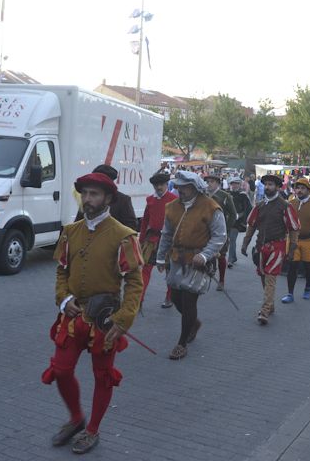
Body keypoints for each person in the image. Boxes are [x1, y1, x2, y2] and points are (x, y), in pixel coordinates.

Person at [43, 172, 143, 454]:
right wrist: (63, 299)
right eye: (85, 193)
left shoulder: (124, 236)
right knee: (61, 370)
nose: (88, 199)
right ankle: (76, 418)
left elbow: (135, 281)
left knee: (103, 376)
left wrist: (124, 319)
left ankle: (92, 430)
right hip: (72, 317)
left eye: (94, 194)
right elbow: (62, 272)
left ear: (108, 199)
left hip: (105, 319)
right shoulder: (70, 232)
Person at [155, 171, 226, 360]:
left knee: (188, 300)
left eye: (184, 186)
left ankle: (181, 343)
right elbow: (167, 234)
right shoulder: (172, 207)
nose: (180, 190)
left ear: (195, 187)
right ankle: (193, 323)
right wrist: (160, 257)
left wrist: (205, 255)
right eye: (178, 186)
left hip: (198, 261)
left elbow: (220, 236)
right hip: (176, 258)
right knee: (176, 297)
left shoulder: (211, 207)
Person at [241, 175, 299, 324]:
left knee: (270, 277)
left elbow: (293, 229)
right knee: (263, 276)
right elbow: (252, 225)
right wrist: (245, 243)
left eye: (271, 184)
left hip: (278, 246)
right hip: (261, 245)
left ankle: (265, 310)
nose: (267, 187)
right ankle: (271, 304)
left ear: (278, 187)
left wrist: (292, 249)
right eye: (266, 184)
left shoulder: (285, 206)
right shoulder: (259, 205)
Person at [139, 172, 178, 309]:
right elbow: (145, 221)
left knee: (169, 270)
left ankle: (169, 297)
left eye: (161, 184)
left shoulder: (174, 199)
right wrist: (141, 239)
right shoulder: (150, 200)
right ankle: (140, 299)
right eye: (156, 185)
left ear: (167, 184)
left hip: (168, 240)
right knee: (145, 269)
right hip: (152, 240)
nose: (158, 187)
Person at [282, 178, 310, 302]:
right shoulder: (290, 203)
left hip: (309, 241)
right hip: (293, 241)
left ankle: (307, 288)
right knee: (292, 267)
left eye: (302, 188)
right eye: (297, 188)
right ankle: (290, 294)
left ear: (308, 190)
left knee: (308, 267)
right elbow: (285, 221)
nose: (299, 191)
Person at [74, 164, 137, 230]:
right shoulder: (87, 199)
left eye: (94, 193)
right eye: (84, 192)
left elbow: (131, 225)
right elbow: (78, 221)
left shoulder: (123, 200)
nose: (87, 198)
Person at [204, 174, 237, 291]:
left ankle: (221, 280)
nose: (209, 184)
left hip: (220, 231)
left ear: (218, 183)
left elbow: (233, 214)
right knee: (206, 254)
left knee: (221, 256)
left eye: (212, 181)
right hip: (206, 231)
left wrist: (226, 229)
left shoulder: (225, 196)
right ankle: (208, 273)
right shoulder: (204, 195)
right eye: (207, 181)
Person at [227, 176, 253, 268]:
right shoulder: (227, 194)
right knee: (226, 240)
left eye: (236, 183)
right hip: (227, 221)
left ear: (239, 184)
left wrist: (240, 216)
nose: (234, 185)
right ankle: (233, 257)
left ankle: (230, 260)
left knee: (232, 239)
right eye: (232, 183)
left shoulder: (243, 195)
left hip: (237, 222)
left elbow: (249, 209)